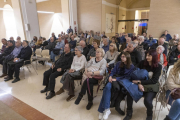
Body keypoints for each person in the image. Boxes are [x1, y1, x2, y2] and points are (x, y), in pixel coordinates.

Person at [123, 49, 162, 120]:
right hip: (139, 85)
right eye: (146, 55)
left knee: (147, 100)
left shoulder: (158, 67)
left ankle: (149, 114)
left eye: (149, 55)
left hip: (151, 86)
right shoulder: (142, 63)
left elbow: (154, 80)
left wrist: (139, 82)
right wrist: (139, 84)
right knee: (130, 93)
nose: (147, 57)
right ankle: (129, 113)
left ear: (154, 56)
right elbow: (134, 74)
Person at [98, 52, 135, 120]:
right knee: (107, 87)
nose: (122, 58)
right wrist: (110, 76)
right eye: (121, 56)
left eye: (123, 57)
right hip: (114, 79)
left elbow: (127, 77)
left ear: (127, 58)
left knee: (109, 89)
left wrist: (116, 79)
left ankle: (101, 110)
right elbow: (113, 71)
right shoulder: (118, 63)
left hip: (122, 81)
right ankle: (106, 109)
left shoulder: (131, 66)